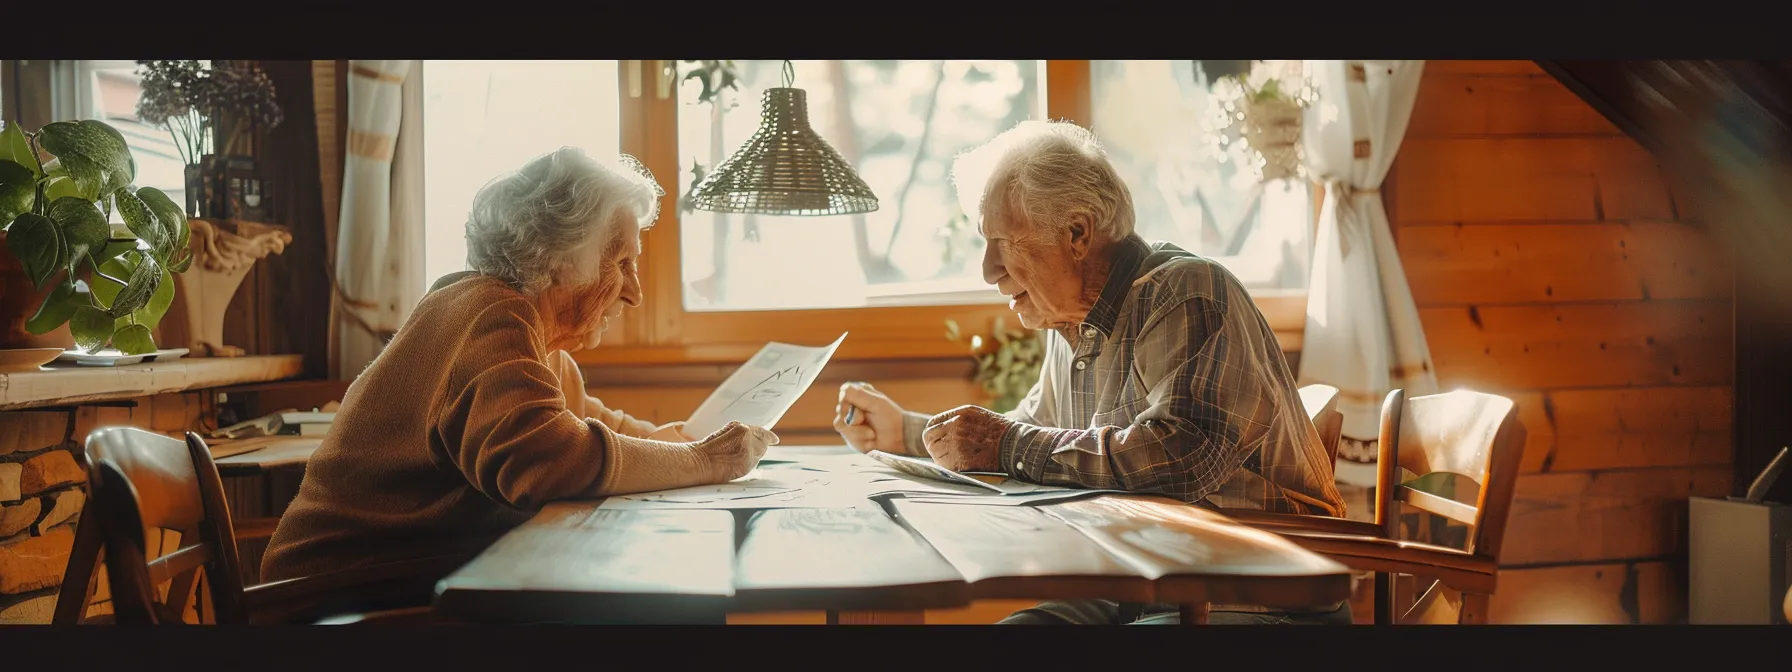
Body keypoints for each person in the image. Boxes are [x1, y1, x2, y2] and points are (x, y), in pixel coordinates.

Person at [831, 121, 1348, 625]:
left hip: (1252, 596)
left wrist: (1006, 444)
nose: (988, 269)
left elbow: (1184, 457)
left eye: (1003, 242)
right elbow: (1022, 431)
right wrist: (908, 431)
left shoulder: (1187, 293)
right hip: (1144, 586)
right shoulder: (1075, 324)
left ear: (1077, 233)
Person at [263, 148, 776, 588]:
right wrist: (704, 462)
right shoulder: (490, 314)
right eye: (620, 264)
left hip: (398, 582)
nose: (635, 292)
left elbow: (590, 426)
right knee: (656, 601)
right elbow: (546, 461)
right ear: (559, 259)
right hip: (332, 599)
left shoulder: (529, 339)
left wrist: (685, 445)